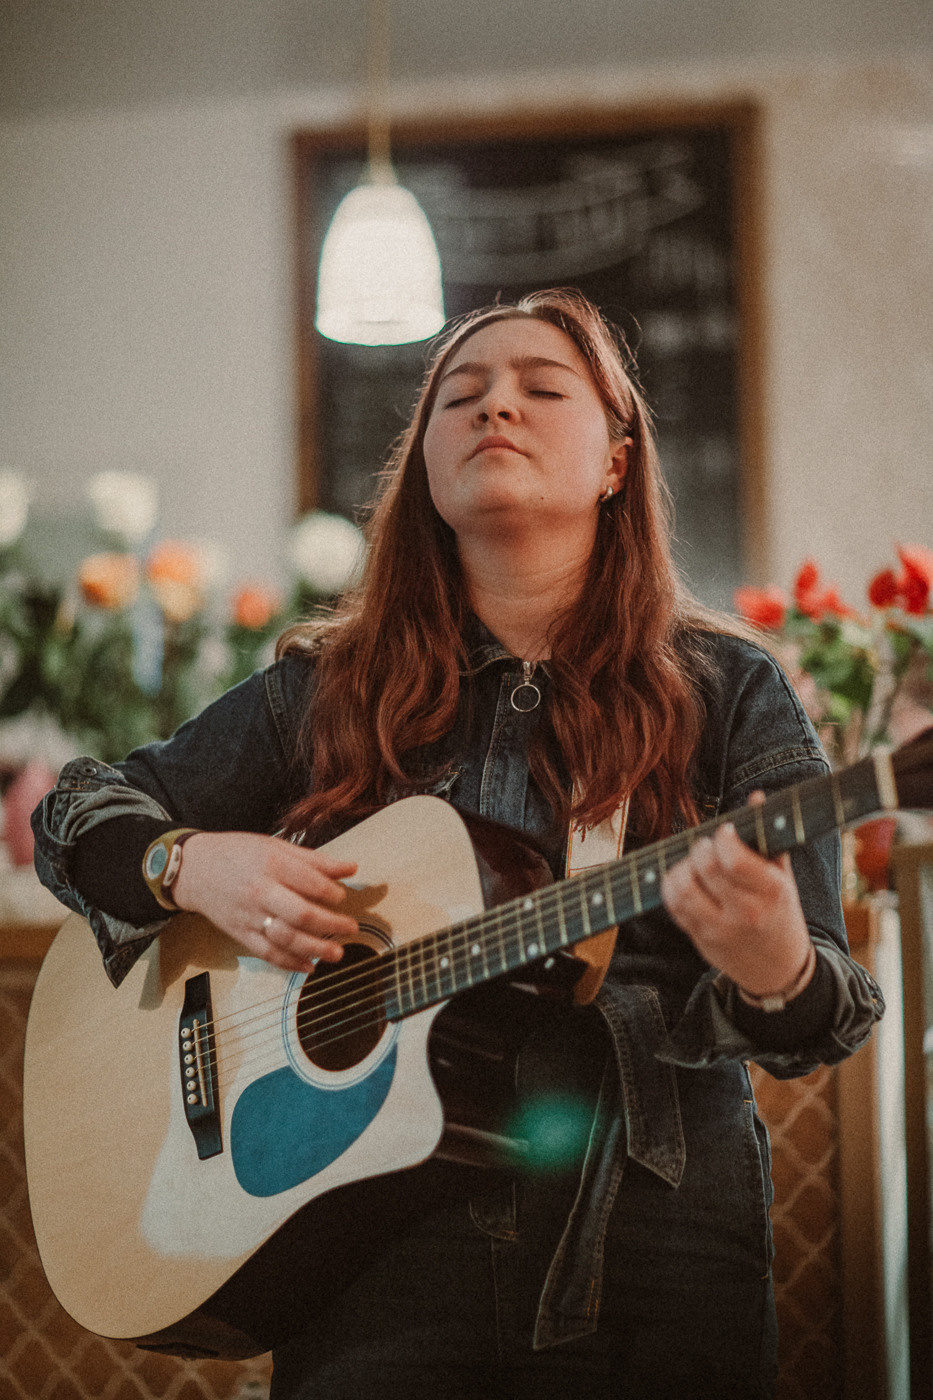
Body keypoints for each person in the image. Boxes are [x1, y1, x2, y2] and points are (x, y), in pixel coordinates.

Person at [33, 289, 883, 1400]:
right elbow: (75, 811)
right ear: (425, 464)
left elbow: (826, 1011)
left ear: (618, 461)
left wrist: (776, 964)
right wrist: (191, 862)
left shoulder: (730, 692)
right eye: (462, 395)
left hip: (656, 1251)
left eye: (542, 387)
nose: (497, 409)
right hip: (372, 1261)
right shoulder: (328, 689)